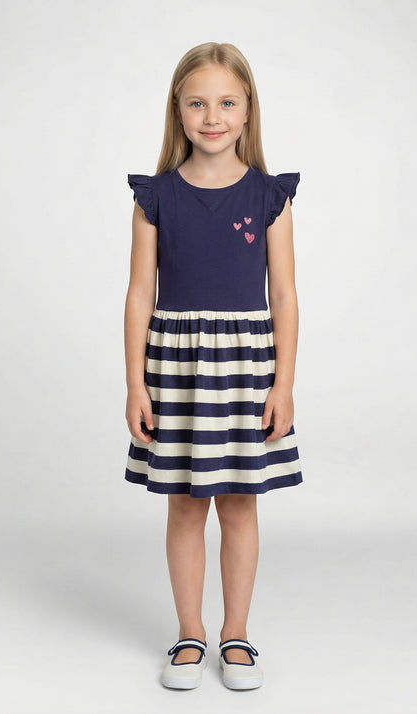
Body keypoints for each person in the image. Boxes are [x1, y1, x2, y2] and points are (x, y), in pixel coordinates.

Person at [123, 41, 303, 690]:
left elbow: (283, 294)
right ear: (177, 110)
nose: (212, 116)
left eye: (227, 102)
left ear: (248, 110)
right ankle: (189, 632)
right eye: (197, 103)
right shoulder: (155, 197)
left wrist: (283, 384)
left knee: (239, 505)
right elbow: (139, 294)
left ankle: (236, 634)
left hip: (245, 368)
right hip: (175, 370)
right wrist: (135, 384)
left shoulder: (269, 196)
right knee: (182, 506)